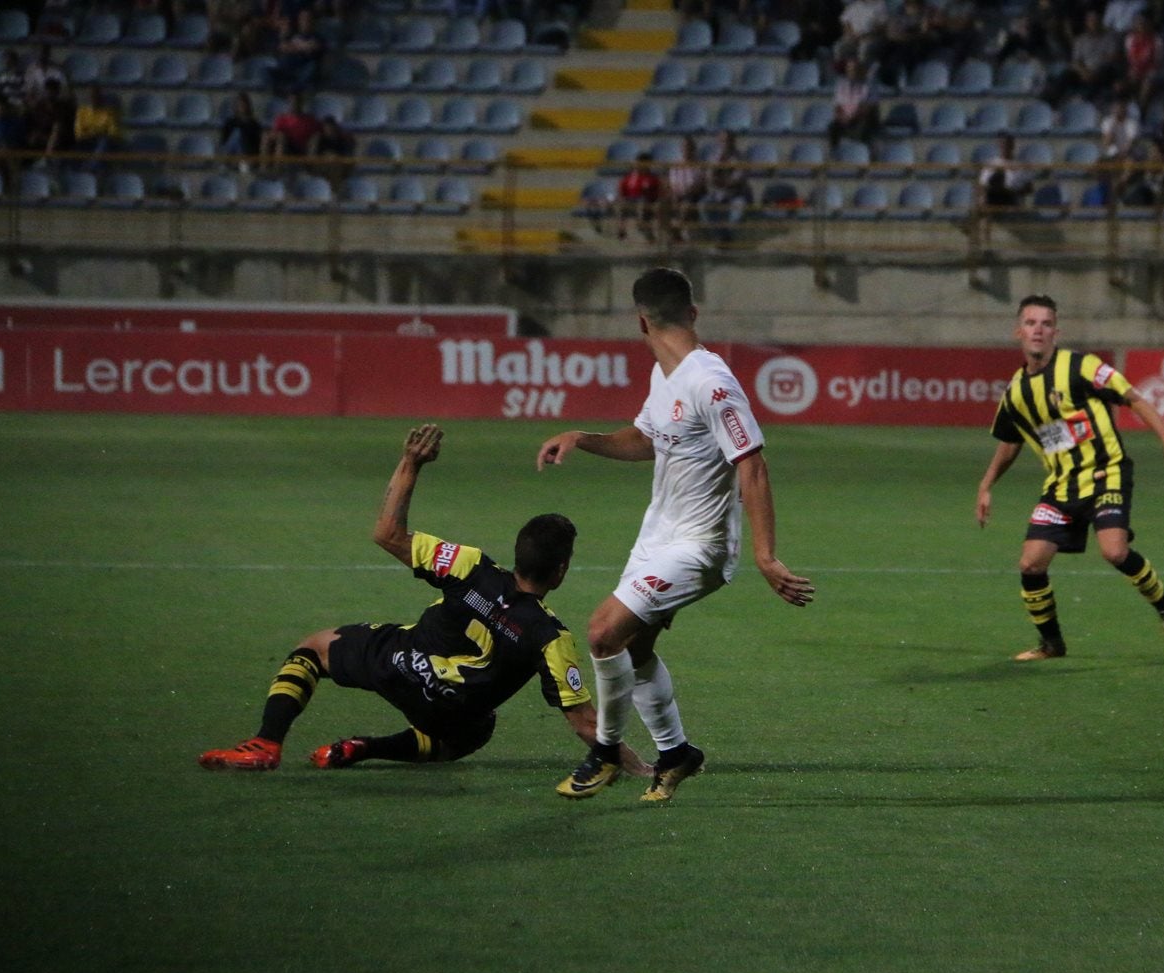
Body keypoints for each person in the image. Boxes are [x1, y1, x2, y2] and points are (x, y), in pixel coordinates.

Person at [199, 424, 649, 777]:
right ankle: (369, 748)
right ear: (561, 571)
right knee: (473, 734)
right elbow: (586, 725)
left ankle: (266, 743)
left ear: (517, 556)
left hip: (401, 665)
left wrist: (411, 462)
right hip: (453, 714)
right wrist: (640, 767)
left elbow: (387, 534)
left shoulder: (470, 566)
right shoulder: (551, 638)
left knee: (314, 649)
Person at [536, 268, 815, 802]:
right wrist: (583, 437)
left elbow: (752, 464)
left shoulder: (712, 382)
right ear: (692, 313)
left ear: (640, 321)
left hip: (701, 544)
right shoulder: (665, 376)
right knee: (635, 649)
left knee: (601, 633)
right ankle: (676, 753)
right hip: (656, 536)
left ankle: (604, 753)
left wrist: (765, 556)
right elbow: (646, 440)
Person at [975, 295, 1164, 662]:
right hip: (1061, 487)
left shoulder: (1082, 367)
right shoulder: (1015, 392)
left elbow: (1133, 398)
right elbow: (1010, 442)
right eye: (1031, 323)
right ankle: (1052, 644)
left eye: (1046, 324)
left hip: (1106, 473)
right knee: (1031, 564)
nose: (1038, 330)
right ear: (1018, 332)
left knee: (1114, 551)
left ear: (1056, 332)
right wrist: (986, 485)